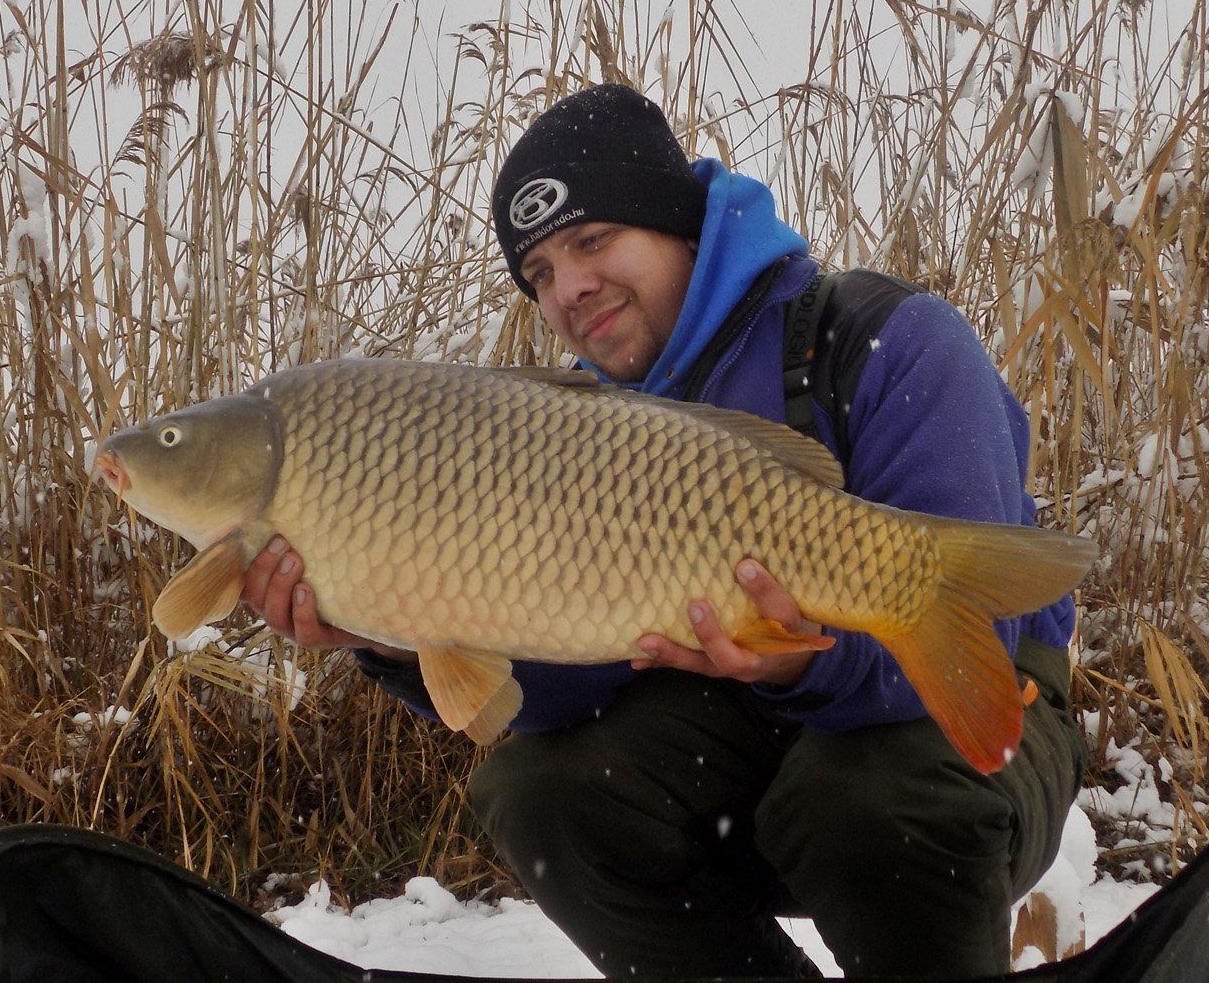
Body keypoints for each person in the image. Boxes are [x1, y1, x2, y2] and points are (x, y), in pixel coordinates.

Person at [239, 84, 1085, 980]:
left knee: (867, 800)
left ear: (681, 224)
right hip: (744, 751)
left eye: (591, 241)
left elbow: (976, 643)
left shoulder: (886, 338)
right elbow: (561, 689)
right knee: (541, 794)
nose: (569, 289)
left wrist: (801, 658)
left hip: (955, 742)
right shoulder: (567, 432)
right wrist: (395, 635)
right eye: (539, 276)